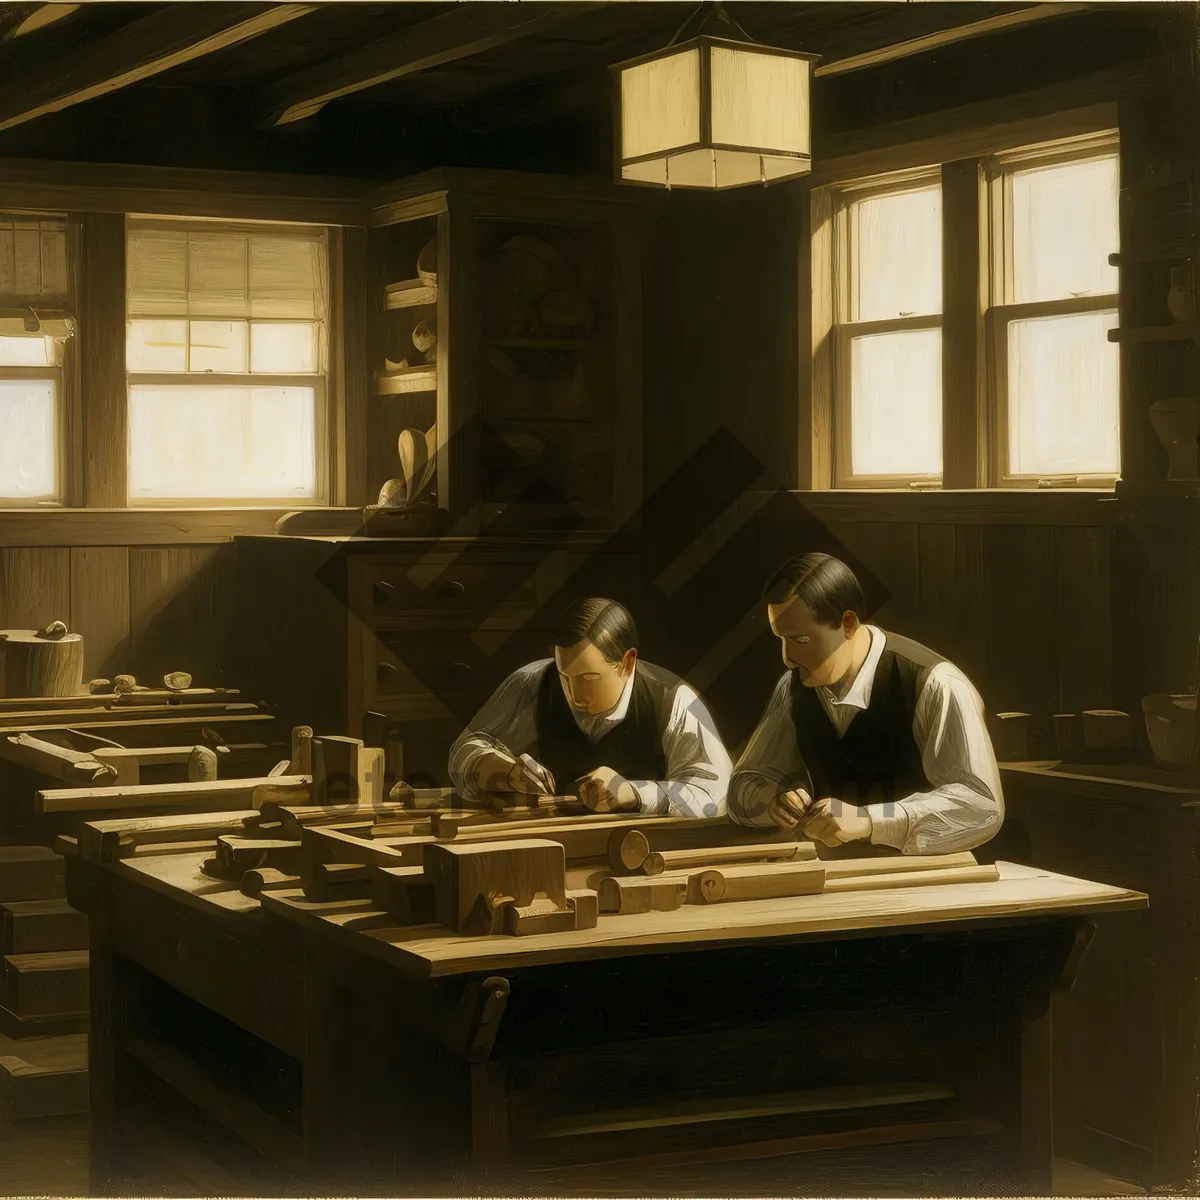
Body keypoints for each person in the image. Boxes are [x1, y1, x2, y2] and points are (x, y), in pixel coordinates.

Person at [729, 552, 1002, 855]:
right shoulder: (793, 686)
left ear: (848, 623)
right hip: (829, 879)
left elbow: (982, 807)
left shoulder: (937, 684)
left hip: (923, 881)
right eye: (781, 639)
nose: (787, 658)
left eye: (801, 640)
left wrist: (869, 820)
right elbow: (742, 785)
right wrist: (772, 800)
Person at [448, 597, 731, 817]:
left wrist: (633, 792)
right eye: (565, 677)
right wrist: (506, 772)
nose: (575, 695)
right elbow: (464, 752)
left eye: (590, 678)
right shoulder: (532, 682)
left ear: (627, 662)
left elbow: (714, 796)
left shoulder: (674, 699)